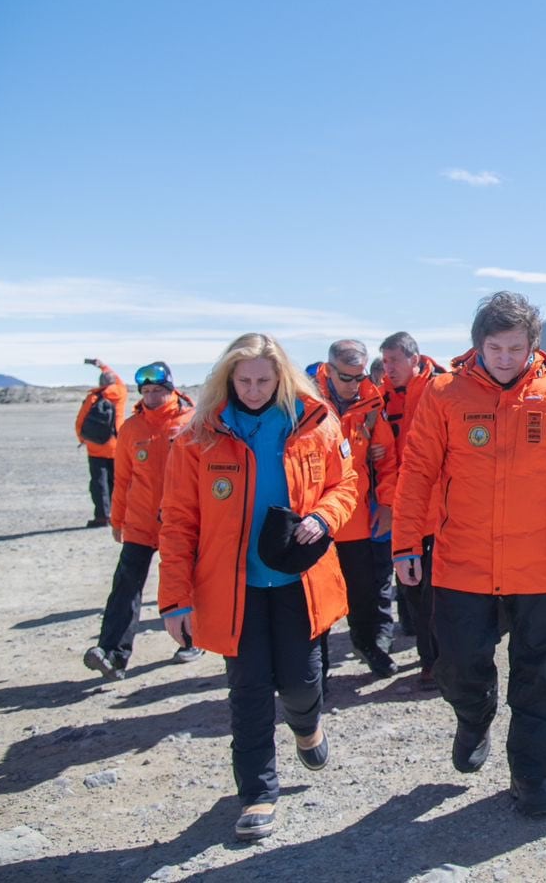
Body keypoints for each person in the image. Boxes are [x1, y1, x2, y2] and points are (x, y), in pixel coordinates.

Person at [394, 292, 546, 816]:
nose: (506, 357)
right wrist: (404, 543)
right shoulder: (444, 394)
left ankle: (531, 778)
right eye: (495, 347)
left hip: (536, 566)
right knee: (458, 666)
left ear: (534, 346)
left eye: (516, 347)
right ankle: (474, 715)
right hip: (461, 564)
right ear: (478, 346)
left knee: (538, 679)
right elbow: (417, 472)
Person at [158, 333, 359, 842]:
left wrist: (324, 516)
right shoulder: (197, 435)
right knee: (247, 691)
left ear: (281, 378)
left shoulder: (314, 422)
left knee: (300, 680)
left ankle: (307, 726)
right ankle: (257, 795)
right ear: (226, 380)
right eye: (242, 380)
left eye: (262, 380)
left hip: (300, 579)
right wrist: (176, 599)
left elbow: (347, 484)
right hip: (233, 588)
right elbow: (179, 520)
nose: (252, 390)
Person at [84, 362, 198, 680]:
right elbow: (122, 479)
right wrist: (117, 521)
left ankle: (191, 641)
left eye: (158, 391)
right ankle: (112, 655)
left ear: (171, 390)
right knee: (125, 586)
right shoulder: (132, 428)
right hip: (140, 522)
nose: (152, 397)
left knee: (183, 583)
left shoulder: (190, 422)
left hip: (181, 522)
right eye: (146, 391)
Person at [314, 340, 399, 678]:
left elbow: (388, 459)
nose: (353, 384)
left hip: (357, 517)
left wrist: (389, 504)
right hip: (316, 519)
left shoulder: (371, 404)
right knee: (316, 595)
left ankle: (369, 645)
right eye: (346, 377)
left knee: (364, 590)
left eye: (359, 376)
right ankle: (315, 668)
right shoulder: (305, 403)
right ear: (329, 369)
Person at [379, 331, 445, 683]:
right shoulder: (381, 400)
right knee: (414, 593)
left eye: (394, 361)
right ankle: (429, 661)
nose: (388, 368)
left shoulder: (441, 390)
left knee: (439, 593)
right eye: (385, 361)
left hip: (443, 513)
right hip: (408, 513)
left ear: (414, 359)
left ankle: (438, 664)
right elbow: (384, 458)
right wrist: (391, 499)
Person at [74, 359, 128, 527]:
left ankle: (102, 516)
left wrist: (83, 439)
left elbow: (80, 421)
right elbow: (117, 379)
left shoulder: (94, 397)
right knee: (118, 482)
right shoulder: (120, 393)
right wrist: (102, 365)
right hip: (117, 446)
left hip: (96, 447)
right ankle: (118, 514)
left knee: (99, 483)